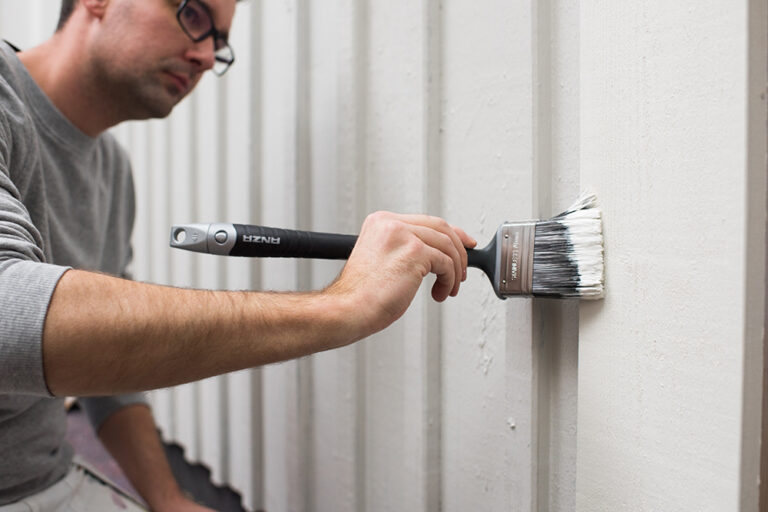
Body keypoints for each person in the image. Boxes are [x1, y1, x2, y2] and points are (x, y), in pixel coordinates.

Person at [0, 0, 475, 510]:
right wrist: (341, 306)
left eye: (218, 42)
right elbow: (10, 316)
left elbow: (108, 379)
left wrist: (169, 500)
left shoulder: (112, 173)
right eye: (195, 16)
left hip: (43, 478)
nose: (206, 56)